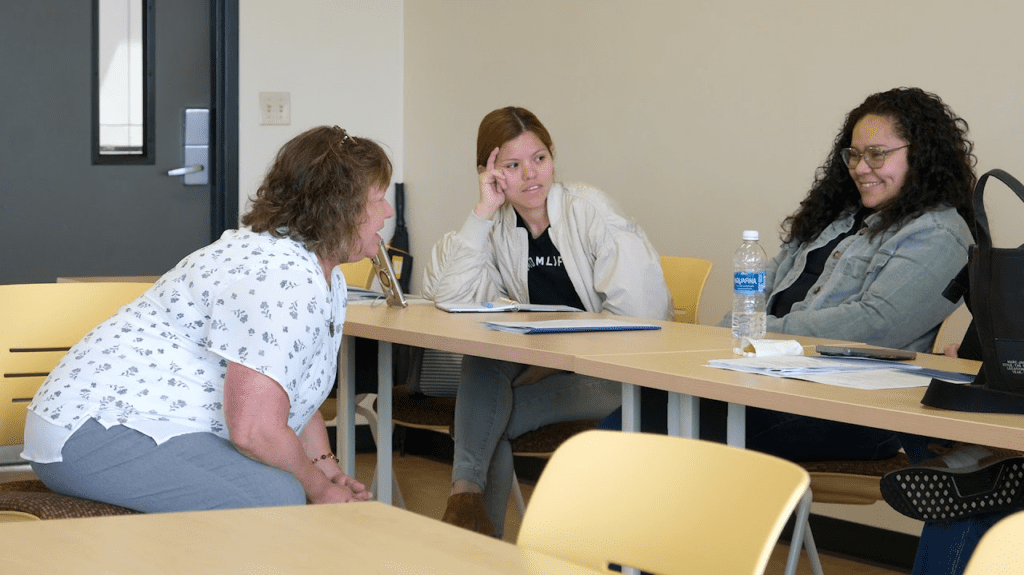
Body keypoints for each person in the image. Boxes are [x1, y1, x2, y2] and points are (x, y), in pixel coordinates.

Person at [600, 87, 980, 571]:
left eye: (877, 154)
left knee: (673, 430)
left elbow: (875, 326)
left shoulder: (939, 232)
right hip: (768, 383)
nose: (861, 167)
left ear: (922, 154)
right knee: (642, 416)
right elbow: (754, 294)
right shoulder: (836, 221)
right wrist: (738, 335)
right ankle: (619, 562)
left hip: (850, 410)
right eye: (854, 154)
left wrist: (760, 333)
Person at [22, 125, 392, 511]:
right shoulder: (281, 279)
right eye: (378, 199)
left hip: (149, 423)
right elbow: (254, 431)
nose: (389, 211)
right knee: (276, 496)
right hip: (93, 430)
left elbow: (290, 385)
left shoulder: (317, 270)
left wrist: (323, 467)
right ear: (338, 211)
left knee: (285, 485)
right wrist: (318, 488)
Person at [422, 106, 673, 537]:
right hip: (550, 366)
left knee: (486, 424)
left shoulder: (591, 212)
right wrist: (483, 211)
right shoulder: (499, 224)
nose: (531, 175)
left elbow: (643, 322)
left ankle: (471, 539)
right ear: (490, 173)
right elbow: (451, 297)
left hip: (616, 375)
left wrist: (554, 360)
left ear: (553, 155)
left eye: (539, 158)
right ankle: (468, 508)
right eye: (512, 166)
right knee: (482, 362)